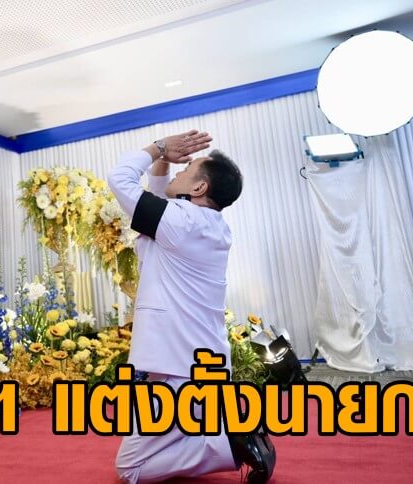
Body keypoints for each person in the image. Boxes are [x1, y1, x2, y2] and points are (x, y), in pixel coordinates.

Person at [108, 130, 275, 483]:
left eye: (186, 170)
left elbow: (120, 178)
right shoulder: (205, 224)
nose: (179, 171)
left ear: (199, 188)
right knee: (149, 445)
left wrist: (159, 147)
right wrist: (163, 161)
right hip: (195, 365)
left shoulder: (181, 222)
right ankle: (225, 433)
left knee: (130, 469)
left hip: (180, 370)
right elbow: (159, 200)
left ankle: (229, 444)